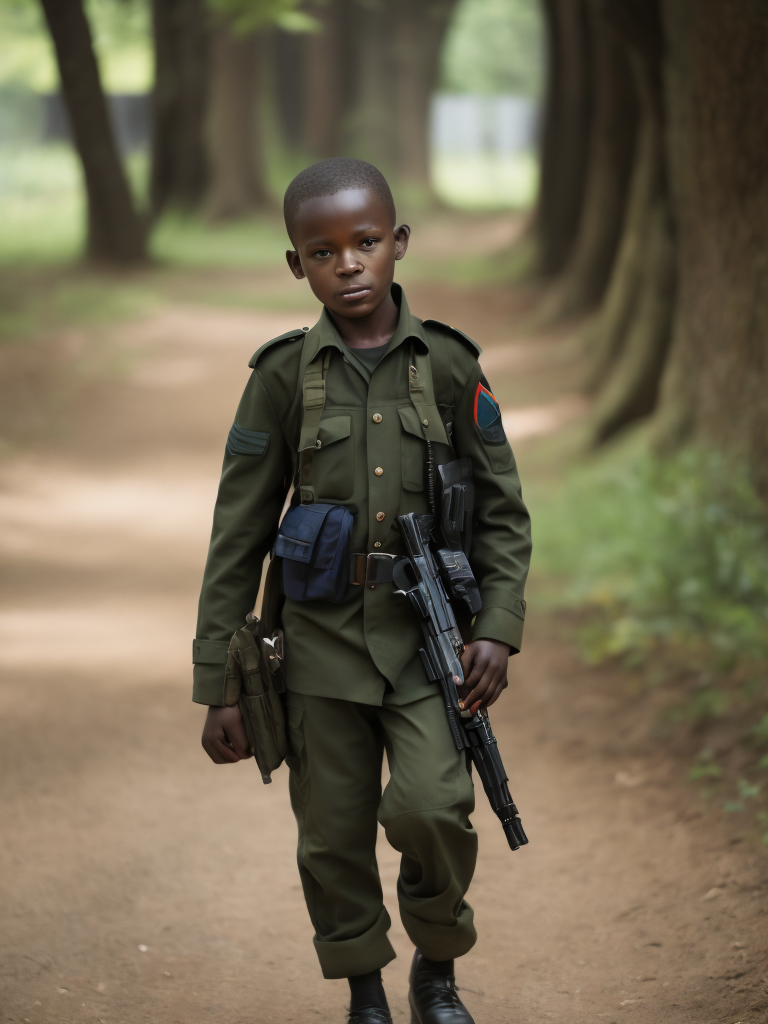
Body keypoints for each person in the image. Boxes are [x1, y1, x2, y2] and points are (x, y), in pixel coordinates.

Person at [193, 158, 532, 1024]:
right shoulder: (279, 376)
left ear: (399, 244)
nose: (348, 263)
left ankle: (437, 968)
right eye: (323, 250)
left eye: (366, 243)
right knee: (331, 835)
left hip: (429, 644)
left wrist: (496, 625)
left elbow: (501, 510)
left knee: (434, 808)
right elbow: (238, 532)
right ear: (296, 264)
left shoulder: (451, 367)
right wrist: (221, 686)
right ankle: (365, 990)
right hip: (319, 647)